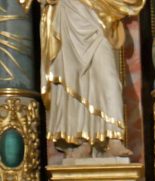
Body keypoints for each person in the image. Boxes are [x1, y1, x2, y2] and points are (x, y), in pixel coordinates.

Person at [42, 0, 143, 158]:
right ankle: (81, 140)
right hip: (68, 17)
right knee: (72, 80)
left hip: (97, 17)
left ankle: (114, 138)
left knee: (109, 80)